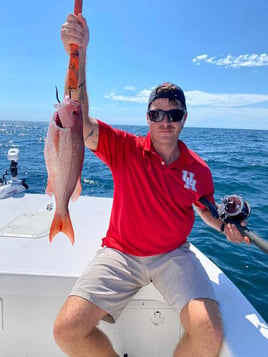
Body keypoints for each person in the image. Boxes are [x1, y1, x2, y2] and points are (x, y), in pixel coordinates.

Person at [53, 13, 250, 357]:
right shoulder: (123, 147)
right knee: (67, 330)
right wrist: (79, 54)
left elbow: (205, 208)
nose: (165, 121)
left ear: (184, 118)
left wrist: (226, 227)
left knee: (209, 333)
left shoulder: (198, 170)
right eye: (157, 114)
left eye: (173, 114)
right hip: (120, 252)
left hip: (174, 255)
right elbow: (77, 120)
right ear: (147, 117)